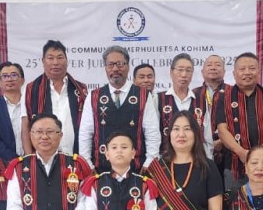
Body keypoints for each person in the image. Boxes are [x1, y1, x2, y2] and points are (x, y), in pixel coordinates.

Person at [78, 45, 160, 173]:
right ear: (105, 68)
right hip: (101, 169)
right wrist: (87, 164)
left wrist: (150, 161)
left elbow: (152, 132)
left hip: (136, 169)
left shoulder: (143, 95)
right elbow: (85, 133)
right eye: (110, 64)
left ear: (128, 66)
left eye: (120, 64)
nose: (115, 68)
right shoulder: (94, 96)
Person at [216, 53, 263, 192]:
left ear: (259, 72)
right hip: (234, 166)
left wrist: (259, 154)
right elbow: (222, 130)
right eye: (242, 69)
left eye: (252, 68)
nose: (247, 72)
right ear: (234, 73)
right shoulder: (224, 98)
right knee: (235, 206)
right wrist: (241, 152)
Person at [23, 40, 89, 155]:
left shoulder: (80, 90)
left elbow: (88, 127)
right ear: (43, 61)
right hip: (41, 158)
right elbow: (25, 126)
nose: (55, 62)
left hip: (75, 157)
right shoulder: (31, 89)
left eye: (60, 57)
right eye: (50, 58)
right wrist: (29, 159)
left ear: (67, 61)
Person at [0, 61, 26, 160]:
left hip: (33, 160)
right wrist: (16, 160)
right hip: (4, 162)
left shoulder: (32, 103)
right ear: (0, 82)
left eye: (14, 75)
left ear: (22, 80)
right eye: (5, 76)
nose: (10, 79)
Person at [156, 53, 201, 138]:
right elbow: (153, 132)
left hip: (195, 151)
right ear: (171, 72)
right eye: (180, 70)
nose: (184, 75)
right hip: (166, 151)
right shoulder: (158, 99)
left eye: (188, 70)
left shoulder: (201, 100)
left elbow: (207, 136)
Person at [193, 54, 227, 160]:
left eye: (217, 65)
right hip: (199, 149)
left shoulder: (233, 92)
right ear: (202, 72)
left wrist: (222, 141)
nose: (213, 67)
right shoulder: (193, 94)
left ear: (224, 71)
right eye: (209, 65)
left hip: (228, 148)